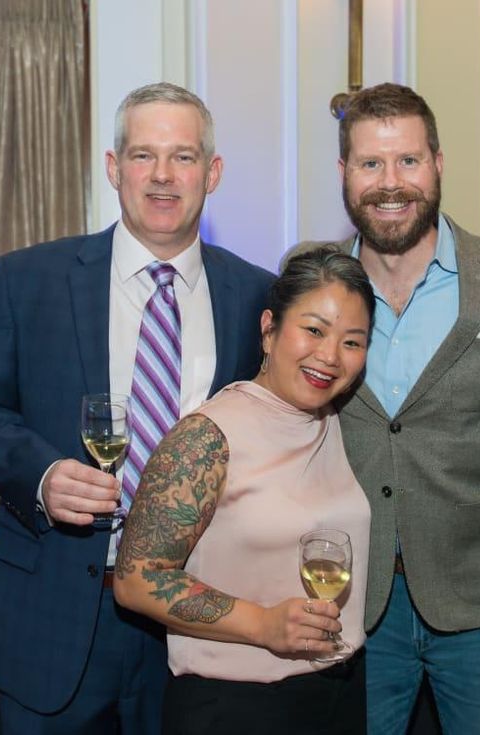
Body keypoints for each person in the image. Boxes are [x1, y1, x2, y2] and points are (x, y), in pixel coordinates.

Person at [0, 82, 274, 733]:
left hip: (195, 623)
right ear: (113, 166)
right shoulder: (28, 279)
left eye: (182, 157)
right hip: (56, 616)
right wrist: (39, 475)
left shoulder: (255, 294)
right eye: (143, 155)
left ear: (213, 172)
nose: (162, 176)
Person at [292, 82, 480, 734]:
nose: (391, 183)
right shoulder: (311, 276)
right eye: (370, 164)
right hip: (346, 600)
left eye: (408, 161)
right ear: (343, 173)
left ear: (438, 163)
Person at [112, 247, 373, 735]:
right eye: (313, 330)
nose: (330, 356)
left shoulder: (334, 423)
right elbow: (136, 580)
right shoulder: (207, 438)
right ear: (269, 329)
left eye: (352, 342)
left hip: (338, 694)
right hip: (235, 705)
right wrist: (263, 625)